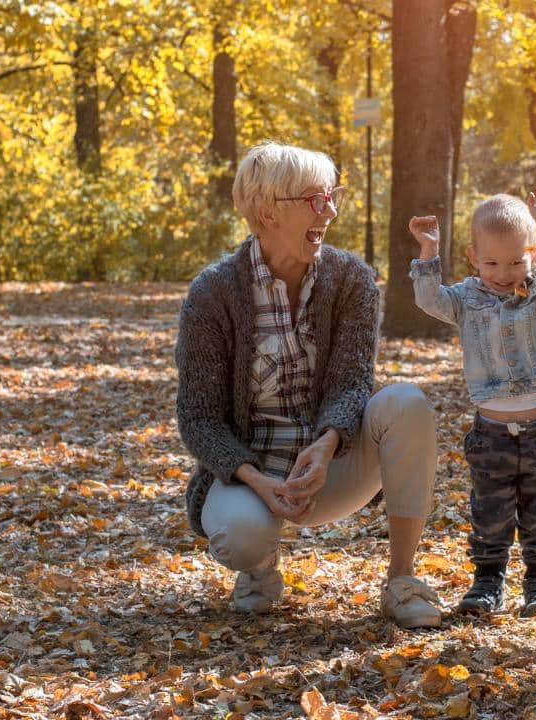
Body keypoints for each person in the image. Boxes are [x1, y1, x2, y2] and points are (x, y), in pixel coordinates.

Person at [176, 140, 441, 628]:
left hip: (332, 465)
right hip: (253, 475)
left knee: (408, 403)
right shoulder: (212, 293)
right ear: (267, 211)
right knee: (241, 538)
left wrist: (326, 444)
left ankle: (403, 579)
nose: (331, 211)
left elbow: (351, 382)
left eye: (332, 196)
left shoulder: (352, 280)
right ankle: (259, 567)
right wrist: (255, 479)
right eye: (316, 200)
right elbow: (199, 419)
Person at [407, 187, 536, 617]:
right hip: (492, 433)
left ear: (533, 255)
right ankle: (487, 583)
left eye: (516, 261)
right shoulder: (465, 300)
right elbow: (428, 299)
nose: (504, 273)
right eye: (492, 263)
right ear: (473, 258)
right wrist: (429, 252)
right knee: (490, 511)